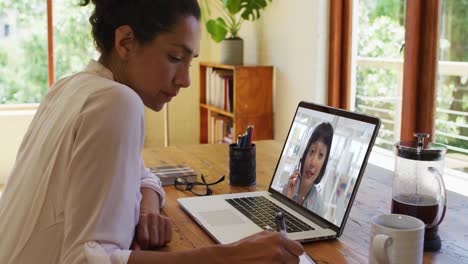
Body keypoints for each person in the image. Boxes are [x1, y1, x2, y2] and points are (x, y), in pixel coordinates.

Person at [0, 1, 304, 263]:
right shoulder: (117, 102)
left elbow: (140, 172)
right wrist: (232, 256)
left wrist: (147, 206)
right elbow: (85, 260)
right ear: (126, 42)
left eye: (190, 61)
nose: (185, 80)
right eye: (174, 58)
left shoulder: (69, 87)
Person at [284, 122, 334, 216]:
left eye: (320, 155)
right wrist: (288, 199)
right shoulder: (287, 189)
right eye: (312, 151)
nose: (312, 163)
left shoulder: (319, 207)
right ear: (305, 154)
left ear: (324, 164)